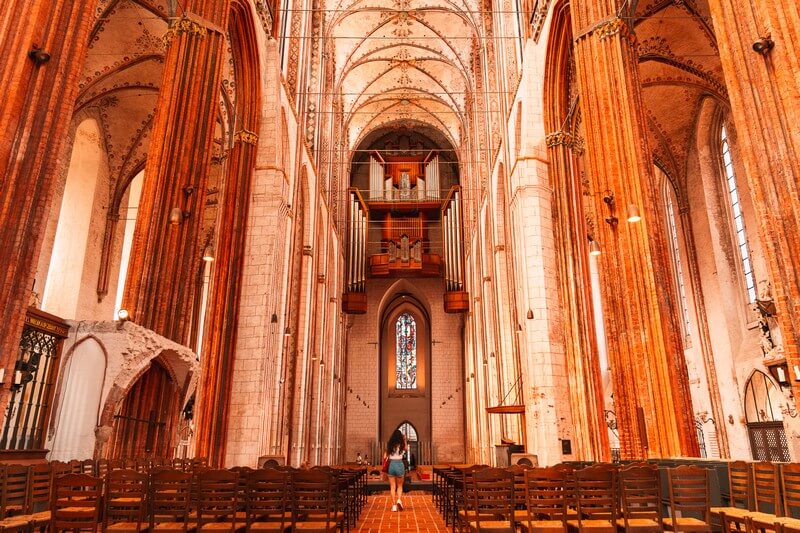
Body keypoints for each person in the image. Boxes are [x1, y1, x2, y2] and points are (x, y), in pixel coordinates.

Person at [384, 429, 407, 511]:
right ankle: (399, 500)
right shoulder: (401, 444)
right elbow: (406, 449)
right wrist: (405, 440)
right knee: (400, 486)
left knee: (392, 486)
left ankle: (394, 506)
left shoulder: (390, 445)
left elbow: (384, 456)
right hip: (399, 464)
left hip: (391, 465)